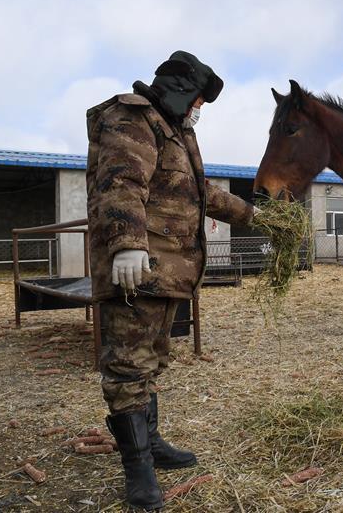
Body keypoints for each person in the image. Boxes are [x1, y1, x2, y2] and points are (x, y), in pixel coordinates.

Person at [86, 51, 256, 511]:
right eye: (199, 100)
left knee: (152, 359)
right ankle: (138, 470)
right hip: (137, 269)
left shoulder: (176, 133)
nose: (200, 109)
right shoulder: (132, 117)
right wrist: (126, 243)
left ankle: (153, 442)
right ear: (182, 91)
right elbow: (121, 181)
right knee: (128, 366)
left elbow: (202, 194)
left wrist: (253, 215)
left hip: (168, 271)